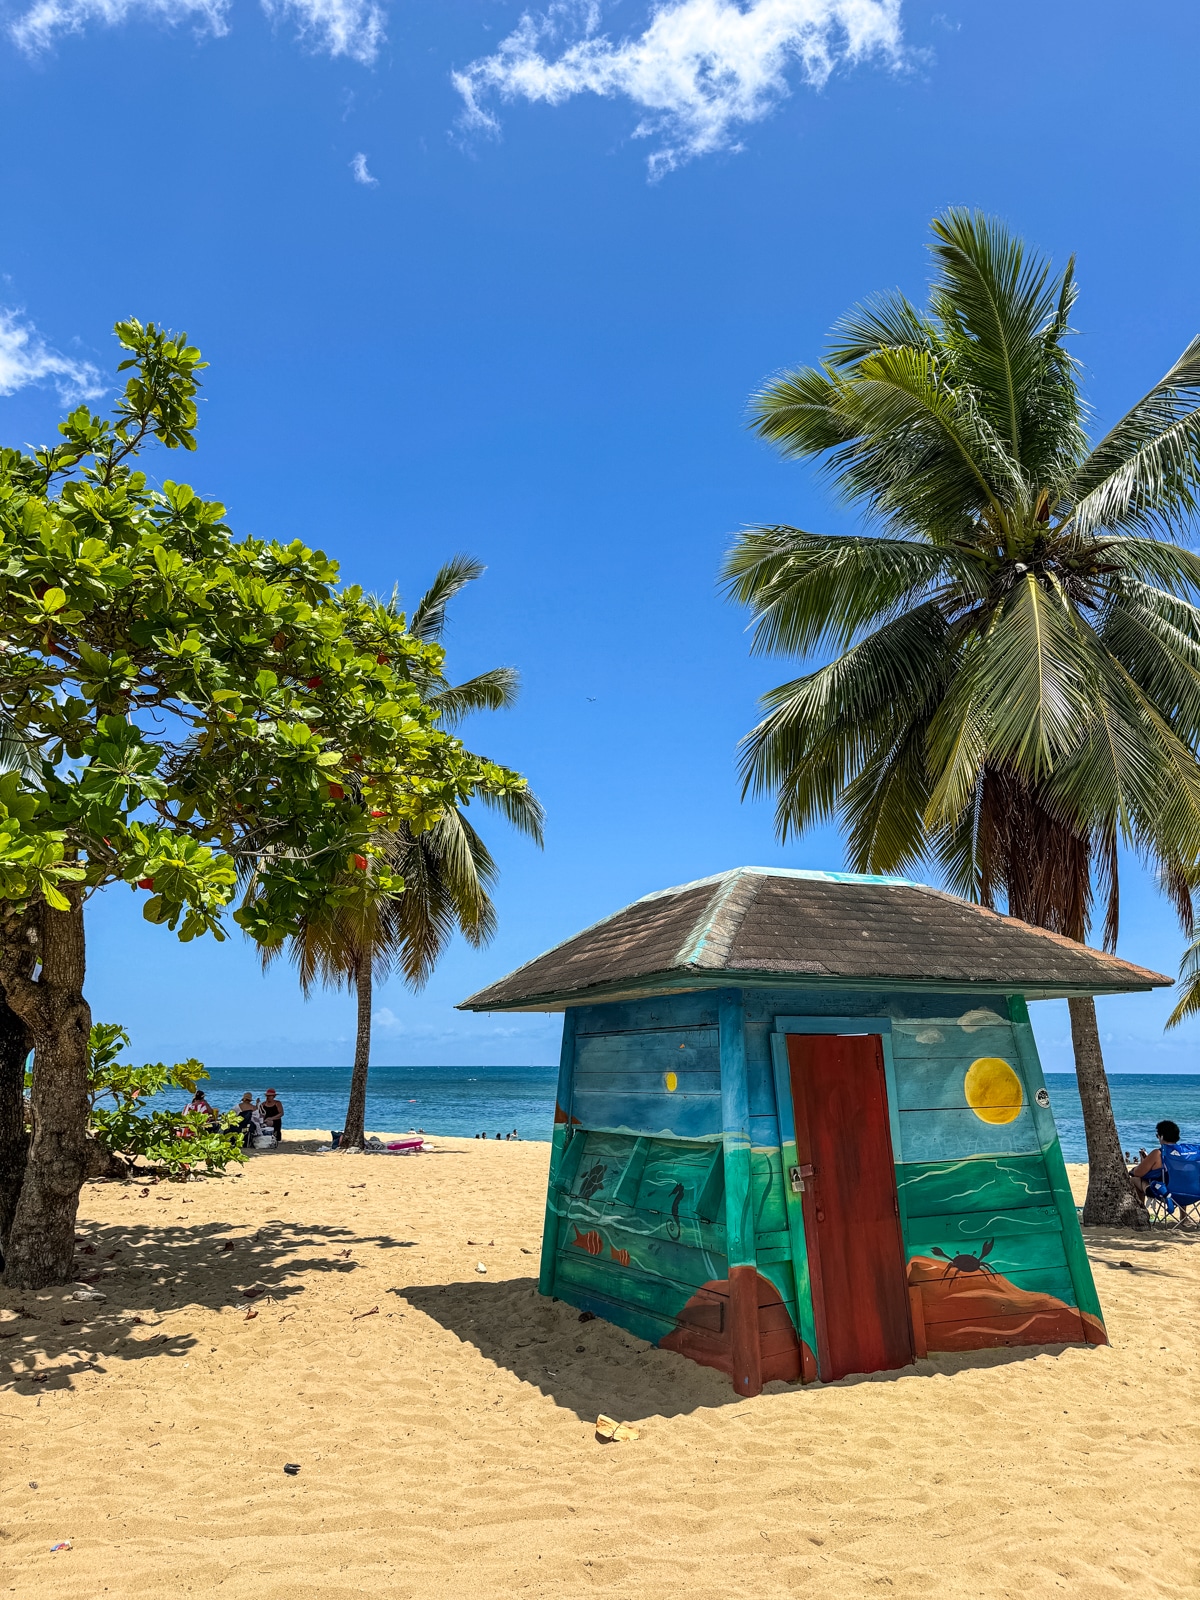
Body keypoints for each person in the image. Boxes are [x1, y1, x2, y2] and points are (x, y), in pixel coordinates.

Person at [1130, 1120, 1182, 1193]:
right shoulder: (1185, 1154)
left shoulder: (1158, 1153)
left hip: (1165, 1192)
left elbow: (1138, 1173)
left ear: (1161, 1137)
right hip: (1190, 1193)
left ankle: (1139, 1204)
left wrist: (1137, 1167)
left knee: (1134, 1179)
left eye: (1157, 1135)